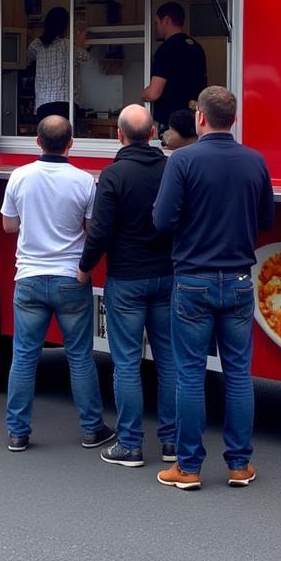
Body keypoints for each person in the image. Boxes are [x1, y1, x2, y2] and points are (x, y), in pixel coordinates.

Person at [153, 86, 274, 490]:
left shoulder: (182, 160)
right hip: (239, 279)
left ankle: (188, 468)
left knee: (190, 375)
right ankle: (239, 465)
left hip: (192, 280)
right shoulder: (255, 161)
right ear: (233, 119)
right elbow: (266, 218)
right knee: (239, 374)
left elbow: (163, 220)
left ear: (200, 118)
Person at [1, 115, 113, 452]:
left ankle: (18, 432)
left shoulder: (19, 177)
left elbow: (8, 226)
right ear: (71, 144)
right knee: (79, 356)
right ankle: (93, 428)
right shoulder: (83, 181)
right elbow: (93, 231)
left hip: (30, 278)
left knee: (23, 356)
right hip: (70, 278)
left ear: (37, 141)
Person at [77, 104, 175, 467]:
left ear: (119, 135)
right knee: (170, 363)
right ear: (152, 133)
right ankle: (172, 443)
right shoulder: (171, 169)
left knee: (127, 364)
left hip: (127, 280)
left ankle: (130, 445)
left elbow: (99, 232)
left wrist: (85, 268)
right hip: (168, 276)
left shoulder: (113, 175)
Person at [140, 1, 207, 129]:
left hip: (172, 124)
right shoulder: (197, 47)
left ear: (166, 20)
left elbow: (154, 93)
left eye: (156, 22)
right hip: (194, 121)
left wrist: (143, 94)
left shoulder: (166, 49)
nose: (156, 27)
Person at [26, 6, 91, 121]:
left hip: (43, 104)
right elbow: (86, 58)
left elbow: (26, 60)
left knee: (46, 137)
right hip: (65, 103)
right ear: (65, 26)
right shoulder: (68, 45)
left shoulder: (37, 44)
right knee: (64, 137)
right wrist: (81, 39)